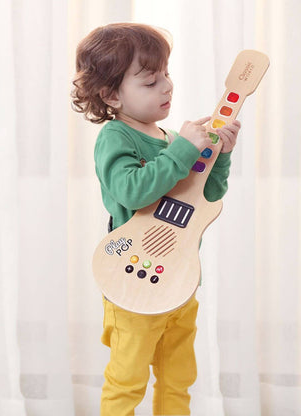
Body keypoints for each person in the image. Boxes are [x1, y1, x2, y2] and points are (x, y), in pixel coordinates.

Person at [71, 22, 240, 416]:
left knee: (178, 378)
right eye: (150, 81)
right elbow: (132, 190)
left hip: (179, 282)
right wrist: (183, 149)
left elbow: (207, 197)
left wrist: (220, 155)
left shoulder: (167, 140)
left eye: (166, 75)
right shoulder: (116, 138)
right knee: (127, 379)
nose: (167, 86)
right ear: (111, 94)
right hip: (134, 284)